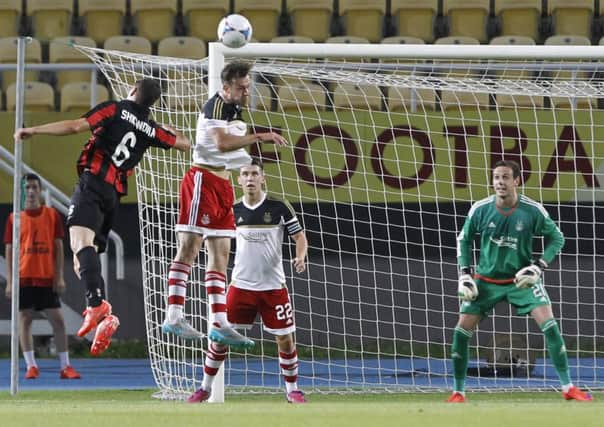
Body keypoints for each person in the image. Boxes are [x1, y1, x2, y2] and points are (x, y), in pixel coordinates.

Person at [13, 79, 191, 356]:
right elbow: (184, 144)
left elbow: (74, 126)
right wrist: (169, 129)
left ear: (132, 90)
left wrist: (34, 130)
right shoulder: (152, 129)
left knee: (79, 244)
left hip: (93, 183)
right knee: (83, 257)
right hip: (113, 195)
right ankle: (104, 315)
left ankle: (97, 305)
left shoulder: (115, 109)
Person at [161, 61, 287, 348]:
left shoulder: (232, 106)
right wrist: (260, 136)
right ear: (226, 87)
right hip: (202, 182)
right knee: (189, 248)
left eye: (248, 86)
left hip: (222, 185)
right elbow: (219, 144)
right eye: (242, 87)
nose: (247, 91)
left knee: (221, 253)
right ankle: (174, 315)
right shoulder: (216, 105)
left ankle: (219, 322)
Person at [448, 159, 592, 403]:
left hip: (521, 281)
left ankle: (568, 387)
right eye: (496, 178)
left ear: (516, 181)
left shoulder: (532, 210)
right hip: (486, 281)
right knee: (461, 331)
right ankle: (458, 392)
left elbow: (557, 238)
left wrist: (538, 266)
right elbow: (463, 239)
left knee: (550, 326)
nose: (499, 182)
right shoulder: (480, 209)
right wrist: (464, 273)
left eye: (505, 177)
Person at [188, 159, 308, 403]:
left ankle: (292, 390)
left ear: (262, 178)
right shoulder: (232, 210)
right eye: (245, 174)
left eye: (255, 174)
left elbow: (300, 237)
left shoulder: (279, 207)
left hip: (274, 288)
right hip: (241, 287)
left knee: (285, 339)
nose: (250, 178)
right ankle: (205, 388)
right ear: (239, 180)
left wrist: (301, 255)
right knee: (219, 338)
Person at [3, 173, 81, 379]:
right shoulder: (15, 218)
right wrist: (11, 281)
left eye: (34, 187)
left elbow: (58, 247)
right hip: (24, 276)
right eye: (27, 188)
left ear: (40, 191)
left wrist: (59, 276)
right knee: (25, 319)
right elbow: (10, 251)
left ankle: (65, 366)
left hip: (45, 276)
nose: (30, 191)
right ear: (22, 192)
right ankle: (31, 365)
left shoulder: (51, 215)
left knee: (58, 320)